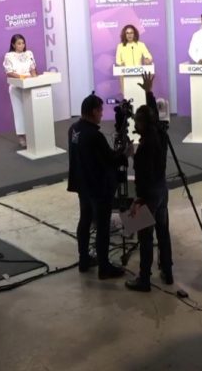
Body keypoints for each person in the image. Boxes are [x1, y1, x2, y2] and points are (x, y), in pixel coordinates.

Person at [67, 93, 128, 280]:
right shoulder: (95, 135)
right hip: (98, 188)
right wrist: (125, 153)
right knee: (102, 227)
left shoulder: (73, 129)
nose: (102, 114)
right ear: (94, 111)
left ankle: (84, 260)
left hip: (82, 185)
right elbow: (110, 160)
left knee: (85, 221)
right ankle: (104, 267)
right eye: (101, 110)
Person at [125, 73, 173, 292]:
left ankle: (144, 278)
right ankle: (168, 271)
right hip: (162, 189)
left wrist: (138, 200)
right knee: (163, 231)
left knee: (145, 236)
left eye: (137, 121)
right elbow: (153, 114)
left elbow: (143, 175)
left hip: (149, 194)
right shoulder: (160, 133)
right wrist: (148, 92)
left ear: (142, 124)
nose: (134, 123)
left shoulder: (144, 148)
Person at [3, 34, 37, 149]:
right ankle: (21, 136)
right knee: (19, 112)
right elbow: (9, 72)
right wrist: (23, 77)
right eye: (18, 43)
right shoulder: (9, 56)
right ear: (13, 45)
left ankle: (33, 134)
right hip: (17, 86)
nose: (21, 45)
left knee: (31, 111)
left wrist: (35, 80)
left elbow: (32, 69)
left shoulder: (29, 54)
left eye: (23, 43)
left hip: (29, 85)